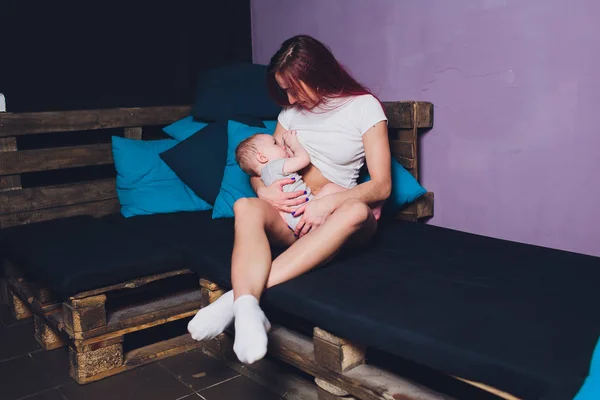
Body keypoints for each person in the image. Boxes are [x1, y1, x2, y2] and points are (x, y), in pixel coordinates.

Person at [188, 34, 392, 364]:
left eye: (294, 87)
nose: (289, 96)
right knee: (244, 206)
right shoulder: (290, 115)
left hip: (339, 216)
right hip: (295, 217)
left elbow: (382, 187)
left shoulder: (364, 107)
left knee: (354, 211)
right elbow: (264, 168)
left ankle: (236, 299)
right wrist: (261, 190)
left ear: (319, 75)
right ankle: (247, 305)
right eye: (284, 89)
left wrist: (326, 203)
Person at [235, 129, 347, 233]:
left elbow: (292, 162)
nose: (281, 146)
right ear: (262, 157)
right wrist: (294, 143)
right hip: (306, 212)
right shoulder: (275, 166)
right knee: (331, 189)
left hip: (293, 220)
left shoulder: (265, 176)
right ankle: (358, 198)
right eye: (275, 143)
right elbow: (303, 159)